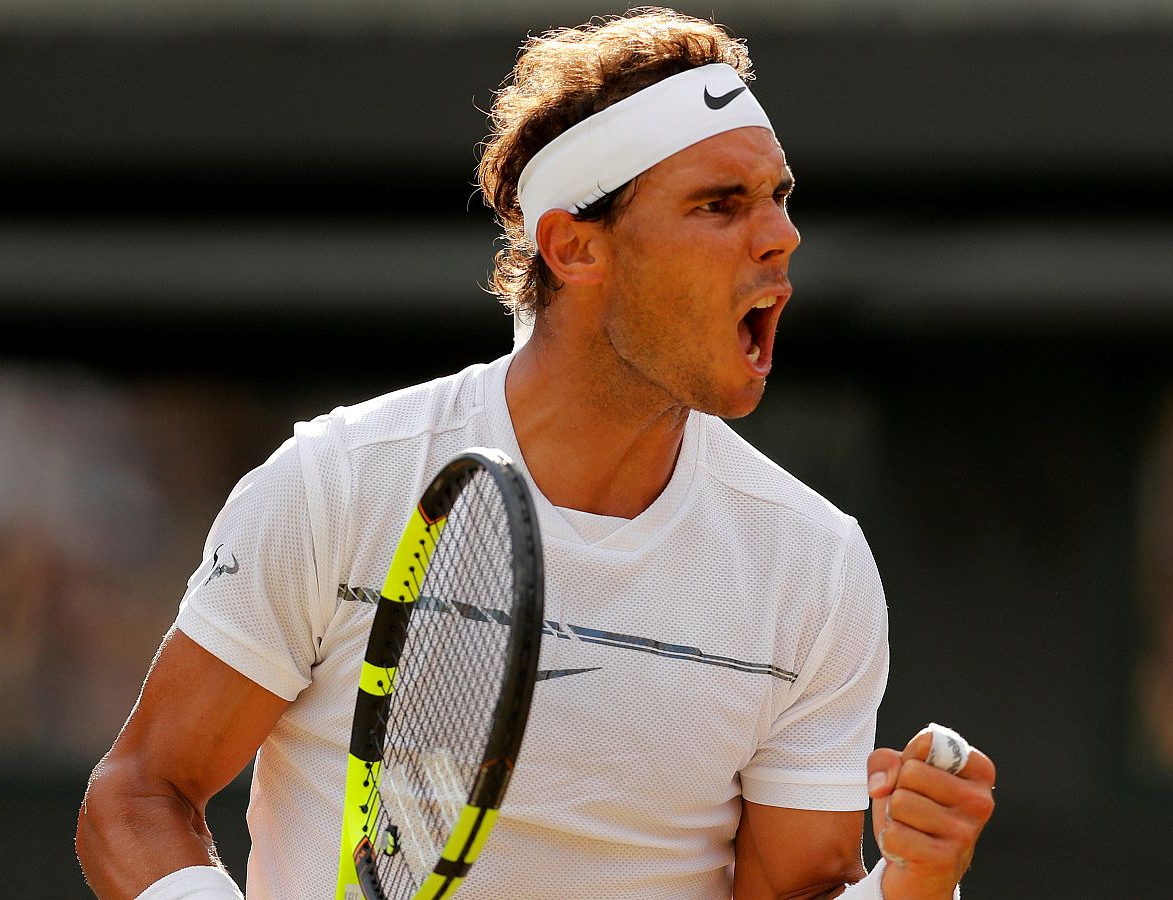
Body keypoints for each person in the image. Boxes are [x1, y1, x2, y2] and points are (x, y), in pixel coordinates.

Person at [75, 9, 995, 899]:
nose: (780, 235)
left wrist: (913, 885)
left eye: (778, 198)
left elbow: (793, 893)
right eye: (720, 205)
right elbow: (140, 794)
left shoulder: (814, 566)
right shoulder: (340, 483)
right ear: (573, 247)